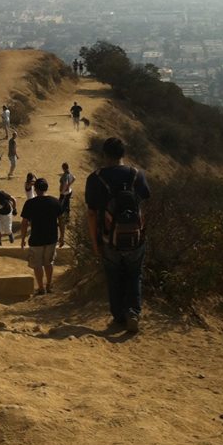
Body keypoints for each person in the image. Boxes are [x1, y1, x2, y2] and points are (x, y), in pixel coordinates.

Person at [84, 137, 150, 333]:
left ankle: (119, 317)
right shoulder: (137, 174)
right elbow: (145, 201)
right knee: (134, 275)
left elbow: (91, 214)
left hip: (108, 238)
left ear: (104, 155)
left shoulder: (95, 178)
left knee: (113, 277)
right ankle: (133, 312)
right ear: (124, 154)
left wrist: (95, 242)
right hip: (135, 237)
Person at [20, 177, 61, 295]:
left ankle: (41, 288)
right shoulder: (55, 201)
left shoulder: (30, 203)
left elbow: (24, 223)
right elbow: (61, 220)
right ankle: (49, 285)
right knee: (49, 263)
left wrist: (22, 239)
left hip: (36, 238)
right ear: (46, 188)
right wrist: (62, 236)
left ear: (35, 189)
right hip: (51, 238)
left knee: (37, 265)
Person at [58, 161, 75, 247]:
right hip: (69, 192)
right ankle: (67, 218)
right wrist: (69, 186)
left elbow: (64, 183)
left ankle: (63, 220)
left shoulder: (65, 176)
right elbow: (74, 178)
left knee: (61, 207)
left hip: (64, 193)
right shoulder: (69, 173)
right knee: (67, 205)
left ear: (63, 168)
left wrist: (63, 190)